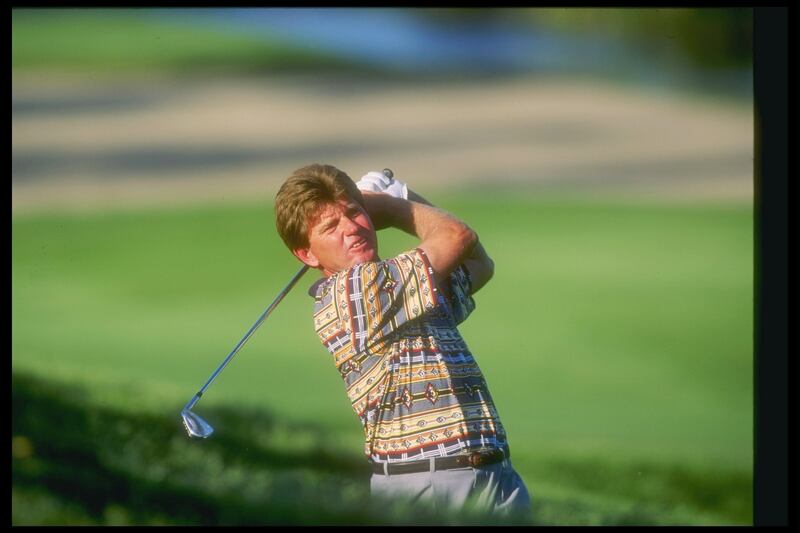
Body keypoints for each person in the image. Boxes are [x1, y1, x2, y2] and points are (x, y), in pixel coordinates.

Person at [273, 163, 531, 520]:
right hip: (429, 485)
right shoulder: (351, 293)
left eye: (353, 213)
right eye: (330, 227)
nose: (350, 229)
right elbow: (458, 236)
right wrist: (394, 207)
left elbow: (479, 263)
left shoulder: (408, 290)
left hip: (492, 475)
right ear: (307, 255)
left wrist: (402, 197)